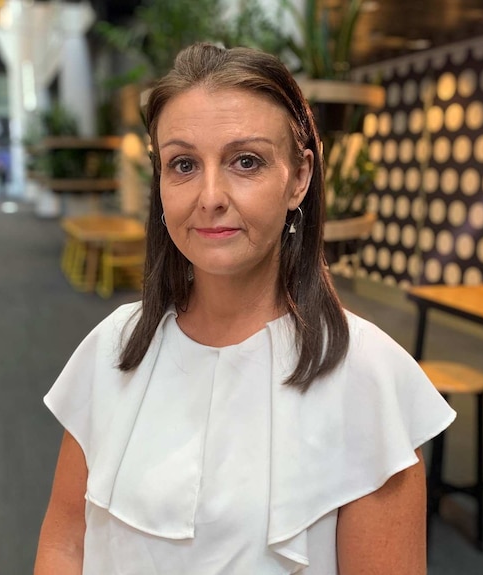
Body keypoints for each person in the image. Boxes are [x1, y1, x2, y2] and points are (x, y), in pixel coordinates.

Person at [35, 43, 455, 574]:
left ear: (299, 177)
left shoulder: (367, 376)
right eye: (183, 164)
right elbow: (66, 542)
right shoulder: (113, 348)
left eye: (246, 161)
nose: (210, 196)